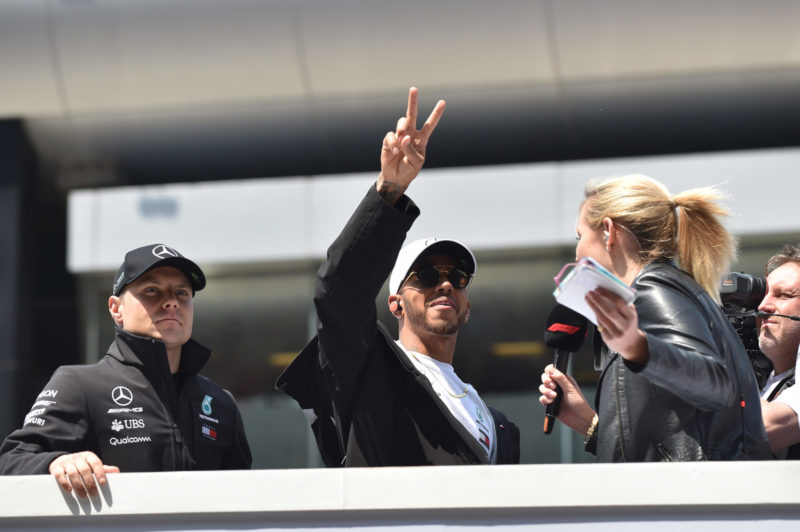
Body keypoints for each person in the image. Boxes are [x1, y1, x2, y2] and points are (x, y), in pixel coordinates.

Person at [277, 87, 520, 466]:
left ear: (467, 307)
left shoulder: (497, 424)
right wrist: (391, 188)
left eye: (457, 278)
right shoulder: (371, 371)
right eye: (424, 275)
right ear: (395, 304)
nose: (444, 284)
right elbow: (339, 291)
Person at [539, 175, 771, 461]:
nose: (577, 251)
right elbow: (664, 445)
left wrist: (639, 348)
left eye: (580, 236)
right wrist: (589, 424)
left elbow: (717, 384)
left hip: (692, 501)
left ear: (609, 231)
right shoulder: (665, 289)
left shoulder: (653, 289)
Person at [0, 244, 252, 497]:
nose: (171, 302)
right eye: (152, 290)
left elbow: (245, 497)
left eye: (182, 292)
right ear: (115, 308)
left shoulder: (221, 403)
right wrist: (55, 462)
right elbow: (10, 461)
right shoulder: (79, 384)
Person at [757, 245, 800, 458]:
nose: (763, 306)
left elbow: (757, 431)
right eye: (762, 296)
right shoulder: (761, 385)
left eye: (783, 295)